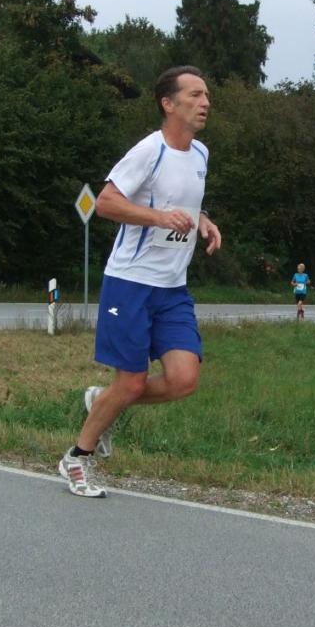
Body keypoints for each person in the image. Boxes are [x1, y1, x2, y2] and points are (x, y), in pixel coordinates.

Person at [60, 66, 223, 498]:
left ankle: (104, 401)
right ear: (168, 104)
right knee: (131, 381)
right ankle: (77, 458)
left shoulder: (201, 154)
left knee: (184, 379)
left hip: (172, 288)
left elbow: (184, 201)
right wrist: (158, 218)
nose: (205, 102)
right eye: (194, 95)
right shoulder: (150, 151)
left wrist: (203, 221)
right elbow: (106, 202)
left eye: (206, 95)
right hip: (130, 282)